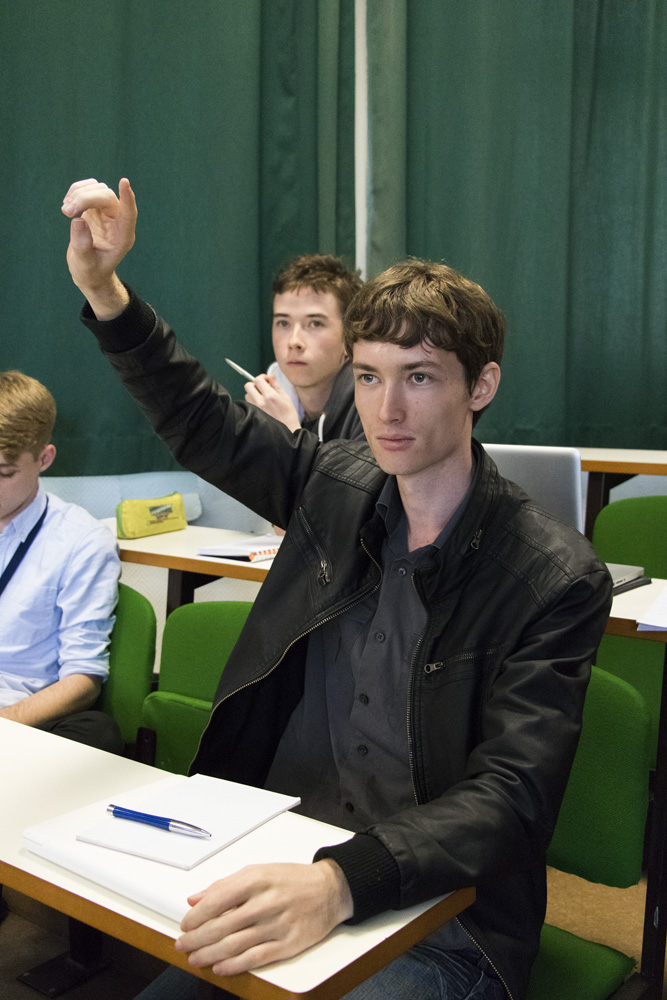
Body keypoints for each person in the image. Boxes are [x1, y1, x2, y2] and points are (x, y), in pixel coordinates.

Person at [62, 177, 612, 1000]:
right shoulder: (334, 482)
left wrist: (341, 882)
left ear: (481, 386)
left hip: (442, 917)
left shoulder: (554, 576)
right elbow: (201, 419)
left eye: (418, 378)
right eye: (369, 376)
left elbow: (512, 794)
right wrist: (105, 290)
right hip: (282, 852)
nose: (386, 410)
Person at [0, 370, 122, 751]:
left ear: (44, 458)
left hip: (17, 718)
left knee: (96, 731)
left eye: (4, 473)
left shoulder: (81, 542)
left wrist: (6, 723)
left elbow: (82, 680)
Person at [241, 253, 364, 441]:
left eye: (315, 324)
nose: (294, 341)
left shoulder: (371, 405)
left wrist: (291, 436)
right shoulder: (268, 404)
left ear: (349, 336)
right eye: (283, 323)